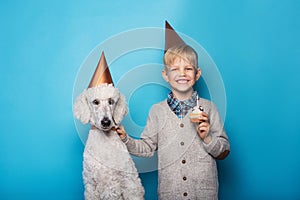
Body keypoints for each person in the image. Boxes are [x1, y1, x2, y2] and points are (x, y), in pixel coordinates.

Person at [117, 44, 230, 199]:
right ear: (165, 75)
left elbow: (224, 151)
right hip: (170, 194)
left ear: (197, 74)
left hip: (203, 194)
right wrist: (125, 138)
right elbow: (147, 148)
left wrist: (208, 138)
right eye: (175, 69)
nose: (182, 74)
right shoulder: (157, 111)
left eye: (188, 69)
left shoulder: (209, 108)